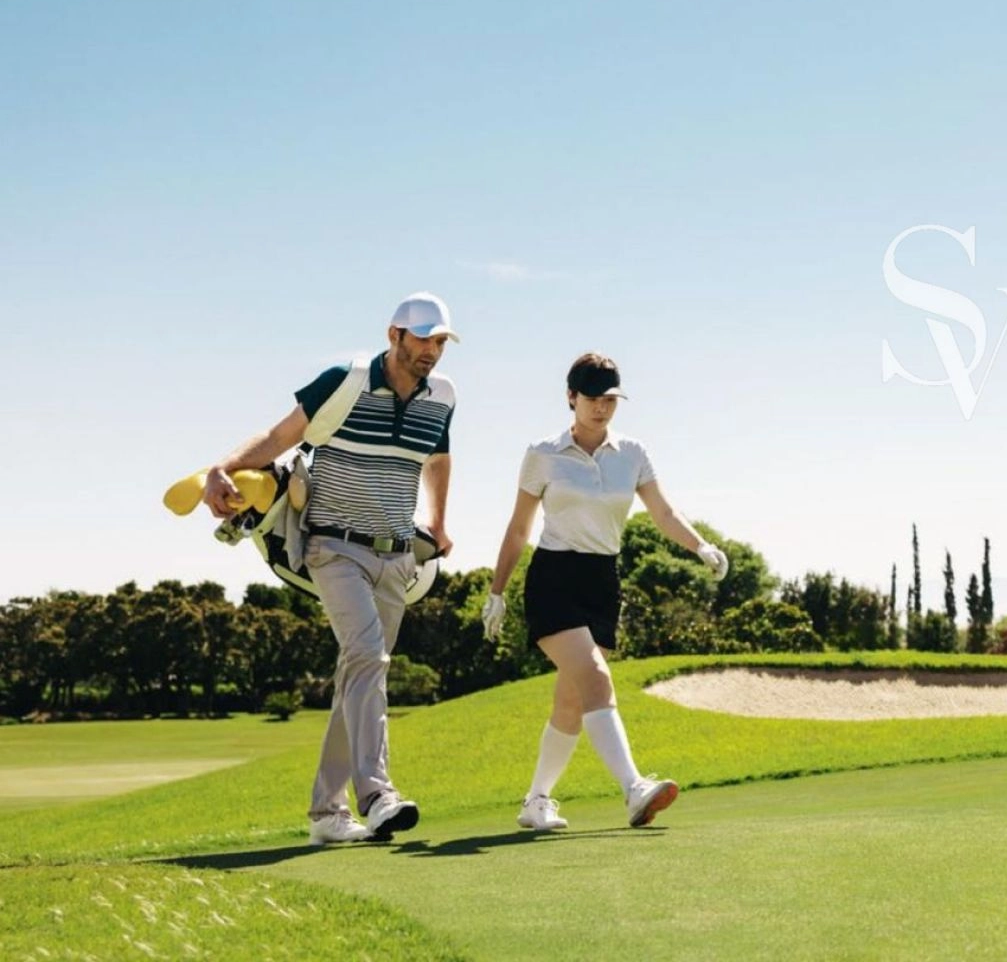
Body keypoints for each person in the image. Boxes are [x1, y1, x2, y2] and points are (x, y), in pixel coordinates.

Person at [202, 293, 458, 845]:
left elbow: (438, 458)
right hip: (333, 548)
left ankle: (326, 814)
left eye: (440, 341)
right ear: (394, 335)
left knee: (359, 675)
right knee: (368, 658)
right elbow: (279, 436)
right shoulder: (343, 381)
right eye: (423, 338)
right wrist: (222, 467)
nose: (432, 351)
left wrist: (437, 521)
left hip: (397, 556)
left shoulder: (442, 397)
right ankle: (378, 796)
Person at [482, 352, 727, 832]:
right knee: (595, 678)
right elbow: (518, 529)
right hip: (554, 579)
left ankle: (536, 801)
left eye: (610, 399)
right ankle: (634, 788)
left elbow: (663, 512)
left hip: (602, 582)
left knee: (573, 701)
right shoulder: (543, 454)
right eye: (592, 398)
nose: (602, 407)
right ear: (571, 397)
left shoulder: (632, 453)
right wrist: (497, 591)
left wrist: (700, 546)